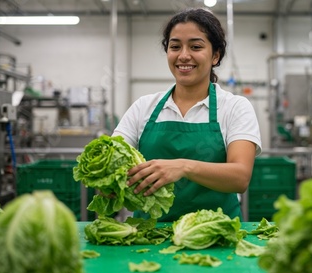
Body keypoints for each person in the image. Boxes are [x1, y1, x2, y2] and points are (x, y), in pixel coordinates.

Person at [112, 7, 262, 222]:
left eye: (195, 46)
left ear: (215, 55)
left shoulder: (235, 107)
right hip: (149, 235)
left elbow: (240, 177)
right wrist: (109, 181)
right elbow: (114, 160)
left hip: (215, 233)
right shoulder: (143, 107)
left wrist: (184, 167)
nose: (183, 55)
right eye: (175, 47)